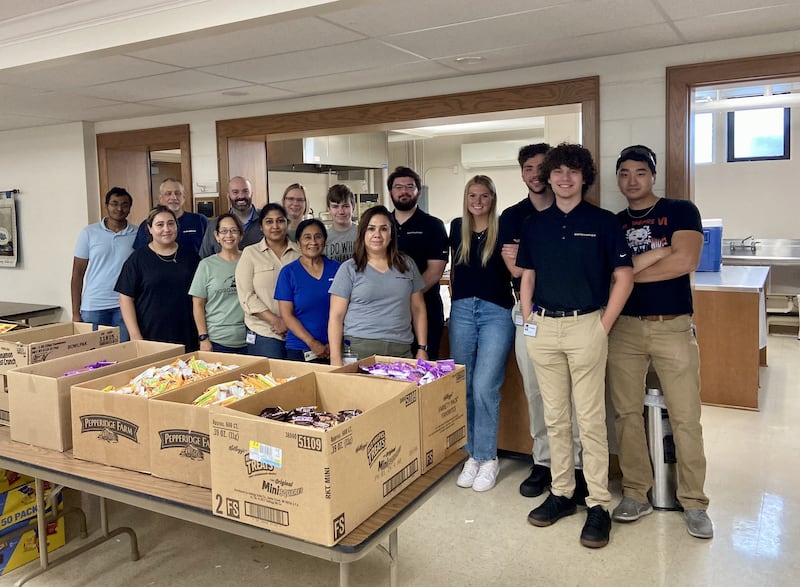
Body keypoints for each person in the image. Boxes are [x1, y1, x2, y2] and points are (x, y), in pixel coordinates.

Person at [517, 143, 633, 549]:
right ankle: (562, 493)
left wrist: (603, 325)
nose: (564, 178)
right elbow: (526, 275)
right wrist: (528, 316)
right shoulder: (535, 224)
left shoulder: (603, 222)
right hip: (543, 329)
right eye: (557, 172)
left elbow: (624, 276)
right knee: (555, 418)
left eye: (573, 172)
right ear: (547, 177)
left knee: (590, 420)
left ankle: (598, 503)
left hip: (587, 326)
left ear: (584, 177)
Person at [607, 144, 713, 539]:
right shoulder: (613, 222)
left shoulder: (681, 210)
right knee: (626, 414)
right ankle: (636, 492)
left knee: (686, 416)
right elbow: (610, 275)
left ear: (652, 176)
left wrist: (630, 271)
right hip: (625, 329)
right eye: (624, 173)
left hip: (673, 326)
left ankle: (695, 501)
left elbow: (686, 261)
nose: (631, 180)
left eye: (639, 172)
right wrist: (658, 254)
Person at [500, 143, 588, 501]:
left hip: (575, 317)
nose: (535, 175)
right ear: (522, 173)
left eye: (541, 167)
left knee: (576, 397)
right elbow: (515, 269)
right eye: (528, 168)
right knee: (537, 393)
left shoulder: (574, 211)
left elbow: (538, 264)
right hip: (529, 315)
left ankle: (579, 467)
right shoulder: (513, 216)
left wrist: (530, 261)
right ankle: (545, 462)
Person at [449, 176, 515, 493]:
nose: (477, 200)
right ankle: (471, 456)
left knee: (485, 385)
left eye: (484, 195)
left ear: (493, 198)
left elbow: (517, 272)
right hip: (461, 310)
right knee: (464, 385)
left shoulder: (504, 229)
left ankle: (488, 458)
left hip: (496, 312)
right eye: (472, 195)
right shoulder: (456, 227)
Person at [328, 205, 427, 365]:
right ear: (362, 233)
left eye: (383, 229)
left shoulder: (407, 265)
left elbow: (418, 309)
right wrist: (335, 358)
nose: (377, 235)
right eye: (371, 229)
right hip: (359, 348)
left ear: (391, 233)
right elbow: (336, 316)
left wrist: (422, 348)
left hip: (400, 349)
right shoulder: (349, 268)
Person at [116, 205, 200, 351]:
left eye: (171, 223)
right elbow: (125, 298)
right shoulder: (137, 259)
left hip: (186, 332)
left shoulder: (190, 256)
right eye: (159, 225)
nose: (166, 229)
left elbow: (200, 296)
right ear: (150, 229)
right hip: (150, 334)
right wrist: (135, 335)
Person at [388, 166, 448, 359]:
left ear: (418, 192)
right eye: (398, 187)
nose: (404, 191)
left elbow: (435, 271)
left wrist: (406, 296)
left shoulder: (433, 226)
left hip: (426, 308)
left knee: (424, 368)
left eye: (409, 186)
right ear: (391, 191)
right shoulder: (381, 224)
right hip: (389, 312)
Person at [71, 187, 137, 341]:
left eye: (124, 204)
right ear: (106, 205)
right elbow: (77, 274)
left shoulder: (137, 233)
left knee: (124, 353)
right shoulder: (89, 233)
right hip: (93, 306)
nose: (119, 208)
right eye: (114, 204)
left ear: (129, 208)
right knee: (94, 356)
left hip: (124, 306)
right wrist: (75, 313)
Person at [235, 203, 300, 358]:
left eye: (280, 221)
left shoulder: (300, 253)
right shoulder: (250, 253)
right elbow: (247, 296)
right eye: (269, 222)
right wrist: (275, 321)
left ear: (287, 223)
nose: (275, 226)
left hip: (299, 330)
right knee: (269, 380)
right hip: (263, 331)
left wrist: (290, 323)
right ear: (261, 227)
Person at [275, 219, 340, 363]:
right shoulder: (288, 273)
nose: (313, 242)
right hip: (299, 349)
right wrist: (312, 343)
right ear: (298, 243)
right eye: (307, 237)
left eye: (318, 236)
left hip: (334, 348)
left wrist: (334, 344)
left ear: (324, 240)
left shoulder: (338, 269)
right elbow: (287, 315)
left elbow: (346, 310)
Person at [189, 213, 247, 353]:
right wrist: (203, 338)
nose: (229, 235)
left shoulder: (249, 259)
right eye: (224, 231)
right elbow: (198, 304)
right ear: (216, 236)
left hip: (249, 339)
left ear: (240, 234)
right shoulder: (206, 265)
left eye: (234, 230)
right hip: (217, 340)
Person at [133, 178, 207, 255]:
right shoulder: (148, 224)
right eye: (168, 194)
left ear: (183, 197)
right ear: (160, 198)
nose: (173, 197)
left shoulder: (200, 220)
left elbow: (210, 250)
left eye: (177, 193)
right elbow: (141, 254)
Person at [198, 176, 262, 258]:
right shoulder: (214, 225)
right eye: (235, 192)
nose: (241, 196)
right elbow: (204, 259)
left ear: (251, 194)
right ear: (228, 196)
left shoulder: (266, 220)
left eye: (245, 191)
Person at [323, 184, 357, 263]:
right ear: (329, 209)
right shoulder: (323, 238)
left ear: (353, 208)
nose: (341, 211)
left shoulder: (363, 234)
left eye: (345, 206)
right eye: (335, 206)